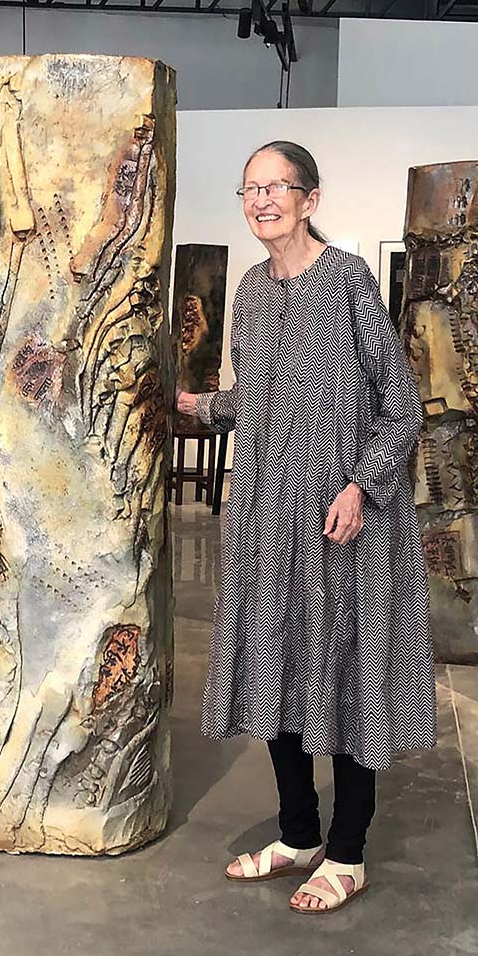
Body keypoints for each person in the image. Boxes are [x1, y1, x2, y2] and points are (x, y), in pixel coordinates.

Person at [176, 141, 436, 913]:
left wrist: (361, 485)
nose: (261, 200)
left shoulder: (348, 280)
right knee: (274, 661)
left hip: (340, 523)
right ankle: (297, 835)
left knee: (346, 674)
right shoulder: (251, 291)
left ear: (309, 199)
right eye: (249, 188)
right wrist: (198, 406)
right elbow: (253, 396)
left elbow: (401, 406)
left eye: (276, 187)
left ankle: (347, 852)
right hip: (265, 519)